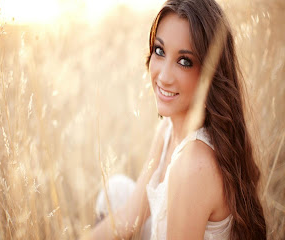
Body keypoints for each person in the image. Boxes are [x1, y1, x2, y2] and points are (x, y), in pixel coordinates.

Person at [81, 0, 267, 239]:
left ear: (210, 73)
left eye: (184, 61)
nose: (164, 76)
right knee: (116, 190)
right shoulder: (168, 130)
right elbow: (131, 217)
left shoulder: (191, 167)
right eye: (160, 51)